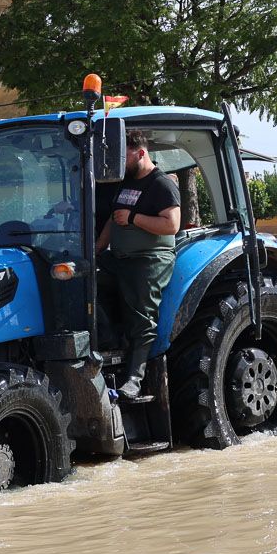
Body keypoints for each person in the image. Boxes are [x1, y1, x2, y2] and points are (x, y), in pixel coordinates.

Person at [96, 131, 181, 402]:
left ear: (141, 153)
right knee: (82, 281)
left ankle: (134, 378)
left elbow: (171, 225)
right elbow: (112, 219)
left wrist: (133, 218)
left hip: (150, 259)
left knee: (141, 315)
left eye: (125, 156)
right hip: (118, 258)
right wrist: (94, 252)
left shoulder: (162, 184)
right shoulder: (126, 182)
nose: (121, 163)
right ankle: (110, 341)